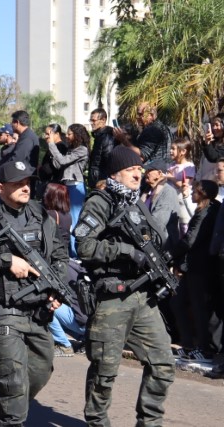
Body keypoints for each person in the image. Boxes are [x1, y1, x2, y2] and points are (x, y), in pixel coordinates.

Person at [0, 160, 69, 427]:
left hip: (37, 310)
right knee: (14, 381)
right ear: (0, 188)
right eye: (17, 183)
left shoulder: (40, 214)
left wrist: (56, 288)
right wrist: (6, 260)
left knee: (41, 372)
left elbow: (59, 253)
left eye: (28, 182)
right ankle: (9, 416)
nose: (25, 187)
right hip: (3, 309)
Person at [73, 145, 175, 426]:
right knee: (104, 371)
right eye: (131, 169)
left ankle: (150, 422)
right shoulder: (100, 202)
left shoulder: (136, 202)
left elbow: (152, 239)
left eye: (139, 169)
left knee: (163, 363)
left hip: (143, 296)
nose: (137, 173)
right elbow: (84, 245)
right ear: (116, 173)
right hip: (113, 297)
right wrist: (126, 252)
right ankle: (97, 421)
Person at [171, 180, 221, 362]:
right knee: (179, 303)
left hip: (200, 268)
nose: (191, 193)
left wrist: (170, 254)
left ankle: (205, 349)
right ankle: (189, 344)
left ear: (203, 193)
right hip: (193, 266)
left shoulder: (208, 211)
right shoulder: (207, 209)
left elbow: (190, 240)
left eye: (194, 191)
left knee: (200, 309)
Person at [48, 123, 90, 257]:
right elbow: (58, 163)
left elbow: (62, 161)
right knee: (68, 220)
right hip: (68, 186)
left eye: (69, 134)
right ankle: (71, 253)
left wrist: (51, 145)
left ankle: (75, 254)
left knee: (74, 221)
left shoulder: (82, 150)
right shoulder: (72, 149)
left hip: (76, 187)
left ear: (77, 135)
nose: (67, 136)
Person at [141, 159, 181, 247]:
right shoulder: (147, 191)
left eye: (149, 171)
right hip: (146, 238)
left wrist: (144, 238)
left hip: (162, 244)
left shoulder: (168, 192)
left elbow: (158, 223)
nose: (145, 173)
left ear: (159, 173)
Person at [166, 137, 195, 235]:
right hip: (171, 202)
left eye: (173, 149)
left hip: (182, 203)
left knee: (184, 228)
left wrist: (171, 177)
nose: (170, 151)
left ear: (183, 151)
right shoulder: (171, 165)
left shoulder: (188, 167)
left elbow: (184, 186)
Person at [87, 108, 115, 189]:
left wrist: (104, 181)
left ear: (103, 120)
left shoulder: (107, 136)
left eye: (94, 120)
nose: (92, 123)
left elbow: (108, 160)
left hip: (102, 182)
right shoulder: (99, 136)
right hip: (97, 180)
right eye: (91, 120)